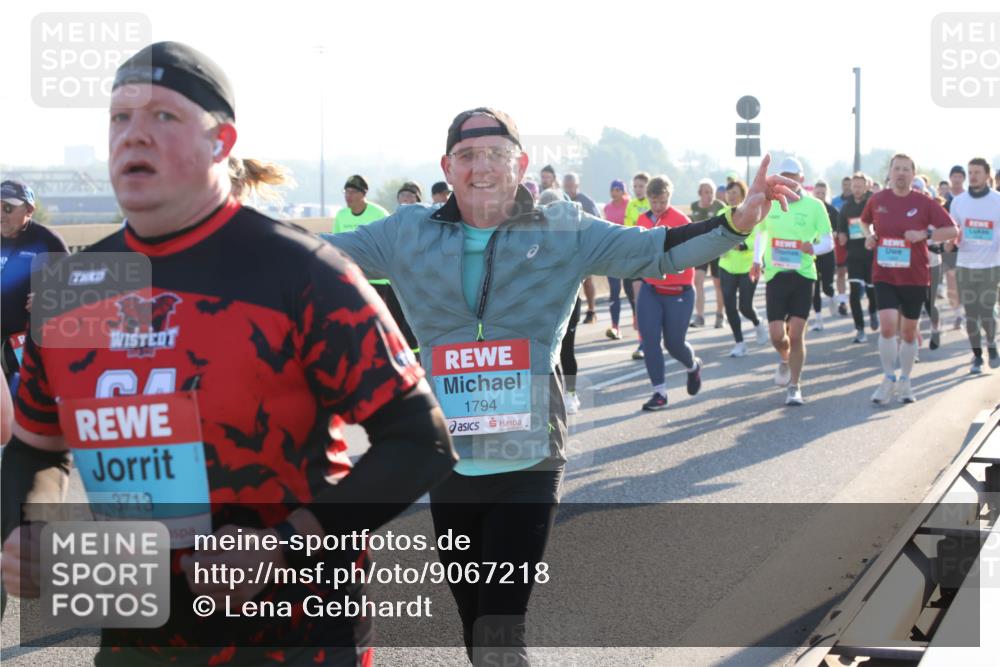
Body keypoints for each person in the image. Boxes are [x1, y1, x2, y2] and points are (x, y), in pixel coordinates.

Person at [0, 41, 457, 666]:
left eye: (163, 117)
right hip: (138, 633)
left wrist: (285, 546)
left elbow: (421, 442)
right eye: (119, 118)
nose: (133, 135)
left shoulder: (300, 271)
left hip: (293, 637)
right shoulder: (82, 283)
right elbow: (35, 448)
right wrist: (30, 527)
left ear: (221, 142)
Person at [323, 106, 798, 664]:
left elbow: (656, 251)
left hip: (527, 462)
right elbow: (309, 257)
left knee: (502, 631)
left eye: (496, 154)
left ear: (520, 164)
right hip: (447, 461)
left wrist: (736, 223)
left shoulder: (563, 229)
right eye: (468, 156)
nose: (482, 168)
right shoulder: (405, 233)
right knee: (475, 626)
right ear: (447, 168)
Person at [862, 153, 958, 404]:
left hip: (915, 275)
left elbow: (952, 230)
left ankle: (905, 380)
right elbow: (865, 222)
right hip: (884, 272)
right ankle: (887, 378)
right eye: (897, 169)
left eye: (906, 169)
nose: (901, 173)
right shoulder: (878, 199)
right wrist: (870, 236)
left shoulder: (924, 202)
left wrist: (924, 233)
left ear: (913, 174)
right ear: (890, 173)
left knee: (908, 332)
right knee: (887, 325)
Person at [750, 157, 833, 406]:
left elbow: (828, 241)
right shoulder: (770, 203)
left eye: (793, 176)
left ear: (801, 179)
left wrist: (813, 248)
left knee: (796, 335)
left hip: (803, 276)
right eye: (784, 175)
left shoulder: (816, 206)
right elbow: (761, 233)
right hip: (775, 275)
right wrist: (756, 260)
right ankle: (784, 359)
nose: (788, 180)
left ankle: (794, 386)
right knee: (778, 336)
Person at [631, 176, 702, 410]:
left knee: (674, 344)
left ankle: (693, 367)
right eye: (654, 202)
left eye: (662, 202)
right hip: (651, 290)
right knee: (649, 341)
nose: (658, 206)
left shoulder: (681, 220)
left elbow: (693, 254)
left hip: (679, 291)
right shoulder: (642, 220)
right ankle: (659, 392)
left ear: (669, 198)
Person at [333, 175, 419, 354]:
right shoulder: (341, 216)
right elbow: (336, 251)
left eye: (352, 192)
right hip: (353, 279)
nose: (348, 196)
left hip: (379, 282)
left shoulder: (378, 214)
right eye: (346, 191)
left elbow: (391, 244)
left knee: (382, 323)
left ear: (363, 194)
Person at [1, 180, 69, 388]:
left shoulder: (47, 241)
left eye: (8, 208)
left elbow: (77, 287)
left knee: (22, 403)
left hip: (27, 343)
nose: (1, 214)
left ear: (29, 210)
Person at [949, 157, 1000, 373]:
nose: (973, 176)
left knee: (987, 311)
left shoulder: (998, 200)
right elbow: (953, 231)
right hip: (966, 265)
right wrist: (952, 241)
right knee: (971, 314)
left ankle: (992, 344)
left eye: (977, 172)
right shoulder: (959, 202)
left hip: (991, 265)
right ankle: (977, 356)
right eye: (970, 172)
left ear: (987, 175)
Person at [719, 180, 767, 356]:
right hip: (727, 266)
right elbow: (715, 236)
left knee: (745, 306)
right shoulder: (721, 213)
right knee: (730, 306)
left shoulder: (752, 212)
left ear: (743, 195)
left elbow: (758, 236)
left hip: (748, 266)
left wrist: (739, 245)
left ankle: (757, 322)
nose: (731, 196)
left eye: (735, 193)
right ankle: (739, 343)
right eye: (729, 193)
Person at [836, 172, 877, 342]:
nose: (857, 189)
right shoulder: (846, 207)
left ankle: (873, 312)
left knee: (871, 290)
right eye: (854, 186)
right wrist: (842, 236)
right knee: (854, 292)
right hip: (853, 254)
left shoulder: (873, 203)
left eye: (860, 185)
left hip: (871, 253)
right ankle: (860, 329)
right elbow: (841, 229)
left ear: (867, 186)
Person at [690, 178, 727, 328]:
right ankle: (699, 316)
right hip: (701, 249)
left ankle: (720, 315)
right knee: (698, 280)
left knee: (718, 284)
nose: (709, 195)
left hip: (717, 250)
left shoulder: (720, 206)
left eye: (711, 192)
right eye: (706, 192)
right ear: (700, 193)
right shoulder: (694, 207)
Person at [563, 173, 600, 323]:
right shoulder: (560, 200)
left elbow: (598, 223)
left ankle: (591, 310)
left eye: (572, 186)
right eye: (566, 187)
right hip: (566, 248)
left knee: (587, 280)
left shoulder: (586, 202)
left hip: (584, 246)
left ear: (577, 186)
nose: (569, 190)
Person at [623, 172, 652, 359]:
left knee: (647, 302)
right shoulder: (631, 205)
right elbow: (627, 229)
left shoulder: (652, 204)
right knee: (636, 300)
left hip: (651, 257)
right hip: (635, 256)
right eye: (635, 186)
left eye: (641, 186)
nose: (638, 189)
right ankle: (642, 341)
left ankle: (649, 339)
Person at [602, 179, 635, 340]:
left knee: (630, 290)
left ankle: (637, 319)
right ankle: (615, 326)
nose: (614, 192)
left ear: (623, 191)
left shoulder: (630, 205)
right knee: (614, 291)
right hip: (613, 254)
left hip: (628, 253)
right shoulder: (607, 208)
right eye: (612, 189)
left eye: (617, 189)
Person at [809, 180, 839, 331]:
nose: (820, 196)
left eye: (823, 193)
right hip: (812, 253)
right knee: (815, 287)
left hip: (826, 253)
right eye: (817, 193)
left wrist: (835, 233)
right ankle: (818, 319)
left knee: (827, 287)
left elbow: (839, 230)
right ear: (813, 193)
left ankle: (833, 297)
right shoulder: (809, 209)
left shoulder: (832, 211)